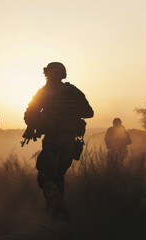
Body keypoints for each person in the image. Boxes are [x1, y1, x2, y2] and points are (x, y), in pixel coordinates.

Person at [24, 62, 93, 221]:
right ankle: (53, 213)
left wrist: (39, 123)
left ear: (49, 74)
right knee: (58, 175)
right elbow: (89, 112)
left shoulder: (44, 92)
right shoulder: (73, 91)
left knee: (45, 177)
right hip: (70, 142)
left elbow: (29, 115)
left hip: (53, 140)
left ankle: (57, 207)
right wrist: (71, 113)